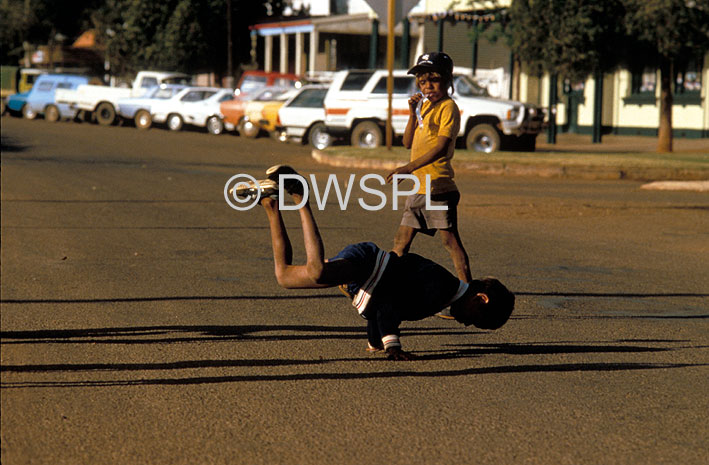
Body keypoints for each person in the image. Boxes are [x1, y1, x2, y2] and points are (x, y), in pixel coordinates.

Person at [234, 165, 515, 361]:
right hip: (367, 264)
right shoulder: (442, 289)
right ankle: (300, 195)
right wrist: (392, 345)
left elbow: (383, 310)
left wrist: (376, 341)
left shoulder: (443, 293)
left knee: (284, 277)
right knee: (317, 270)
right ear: (481, 299)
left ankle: (270, 204)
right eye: (476, 321)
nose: (466, 324)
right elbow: (388, 305)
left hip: (364, 276)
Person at [385, 52, 472, 284]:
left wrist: (408, 168)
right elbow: (407, 143)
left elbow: (441, 148)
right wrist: (412, 114)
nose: (428, 87)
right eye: (423, 82)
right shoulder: (424, 107)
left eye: (434, 80)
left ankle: (467, 290)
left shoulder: (448, 108)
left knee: (450, 242)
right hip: (420, 185)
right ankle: (386, 286)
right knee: (401, 241)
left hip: (437, 185)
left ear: (447, 81)